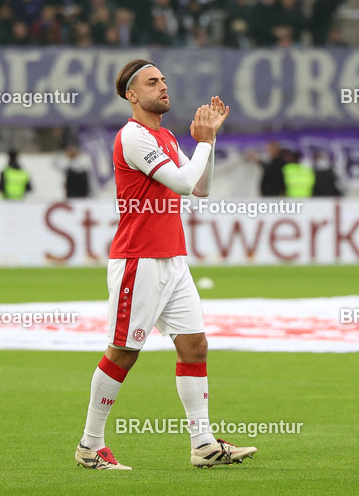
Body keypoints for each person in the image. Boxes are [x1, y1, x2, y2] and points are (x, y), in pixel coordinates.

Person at [75, 59, 257, 470]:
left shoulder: (166, 138)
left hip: (173, 260)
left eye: (164, 80)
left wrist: (205, 143)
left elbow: (200, 187)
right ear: (131, 95)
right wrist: (206, 142)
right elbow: (180, 184)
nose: (163, 86)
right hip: (138, 261)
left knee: (195, 346)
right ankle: (90, 445)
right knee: (123, 352)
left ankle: (203, 444)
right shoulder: (134, 138)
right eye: (152, 82)